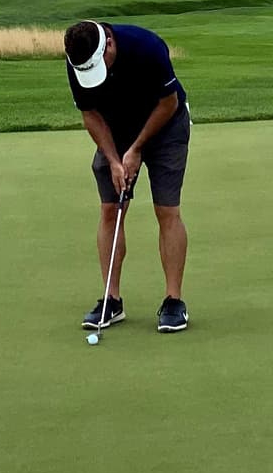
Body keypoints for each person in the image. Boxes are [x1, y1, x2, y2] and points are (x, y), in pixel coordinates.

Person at [65, 20, 190, 333]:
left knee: (167, 210)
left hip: (166, 126)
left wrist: (135, 150)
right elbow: (90, 114)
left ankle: (173, 301)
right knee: (111, 210)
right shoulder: (76, 59)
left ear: (108, 43)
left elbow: (169, 102)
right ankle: (112, 300)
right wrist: (113, 159)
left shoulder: (146, 46)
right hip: (114, 129)